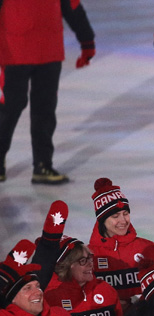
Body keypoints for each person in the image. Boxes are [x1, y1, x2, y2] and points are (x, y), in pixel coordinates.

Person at [0, 0, 94, 184]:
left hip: (49, 49)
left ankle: (43, 165)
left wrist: (87, 40)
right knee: (11, 106)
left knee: (45, 109)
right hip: (14, 49)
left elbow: (72, 6)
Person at [89, 178, 154, 304]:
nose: (123, 220)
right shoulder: (90, 255)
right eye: (115, 216)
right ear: (102, 219)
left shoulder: (148, 248)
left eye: (125, 213)